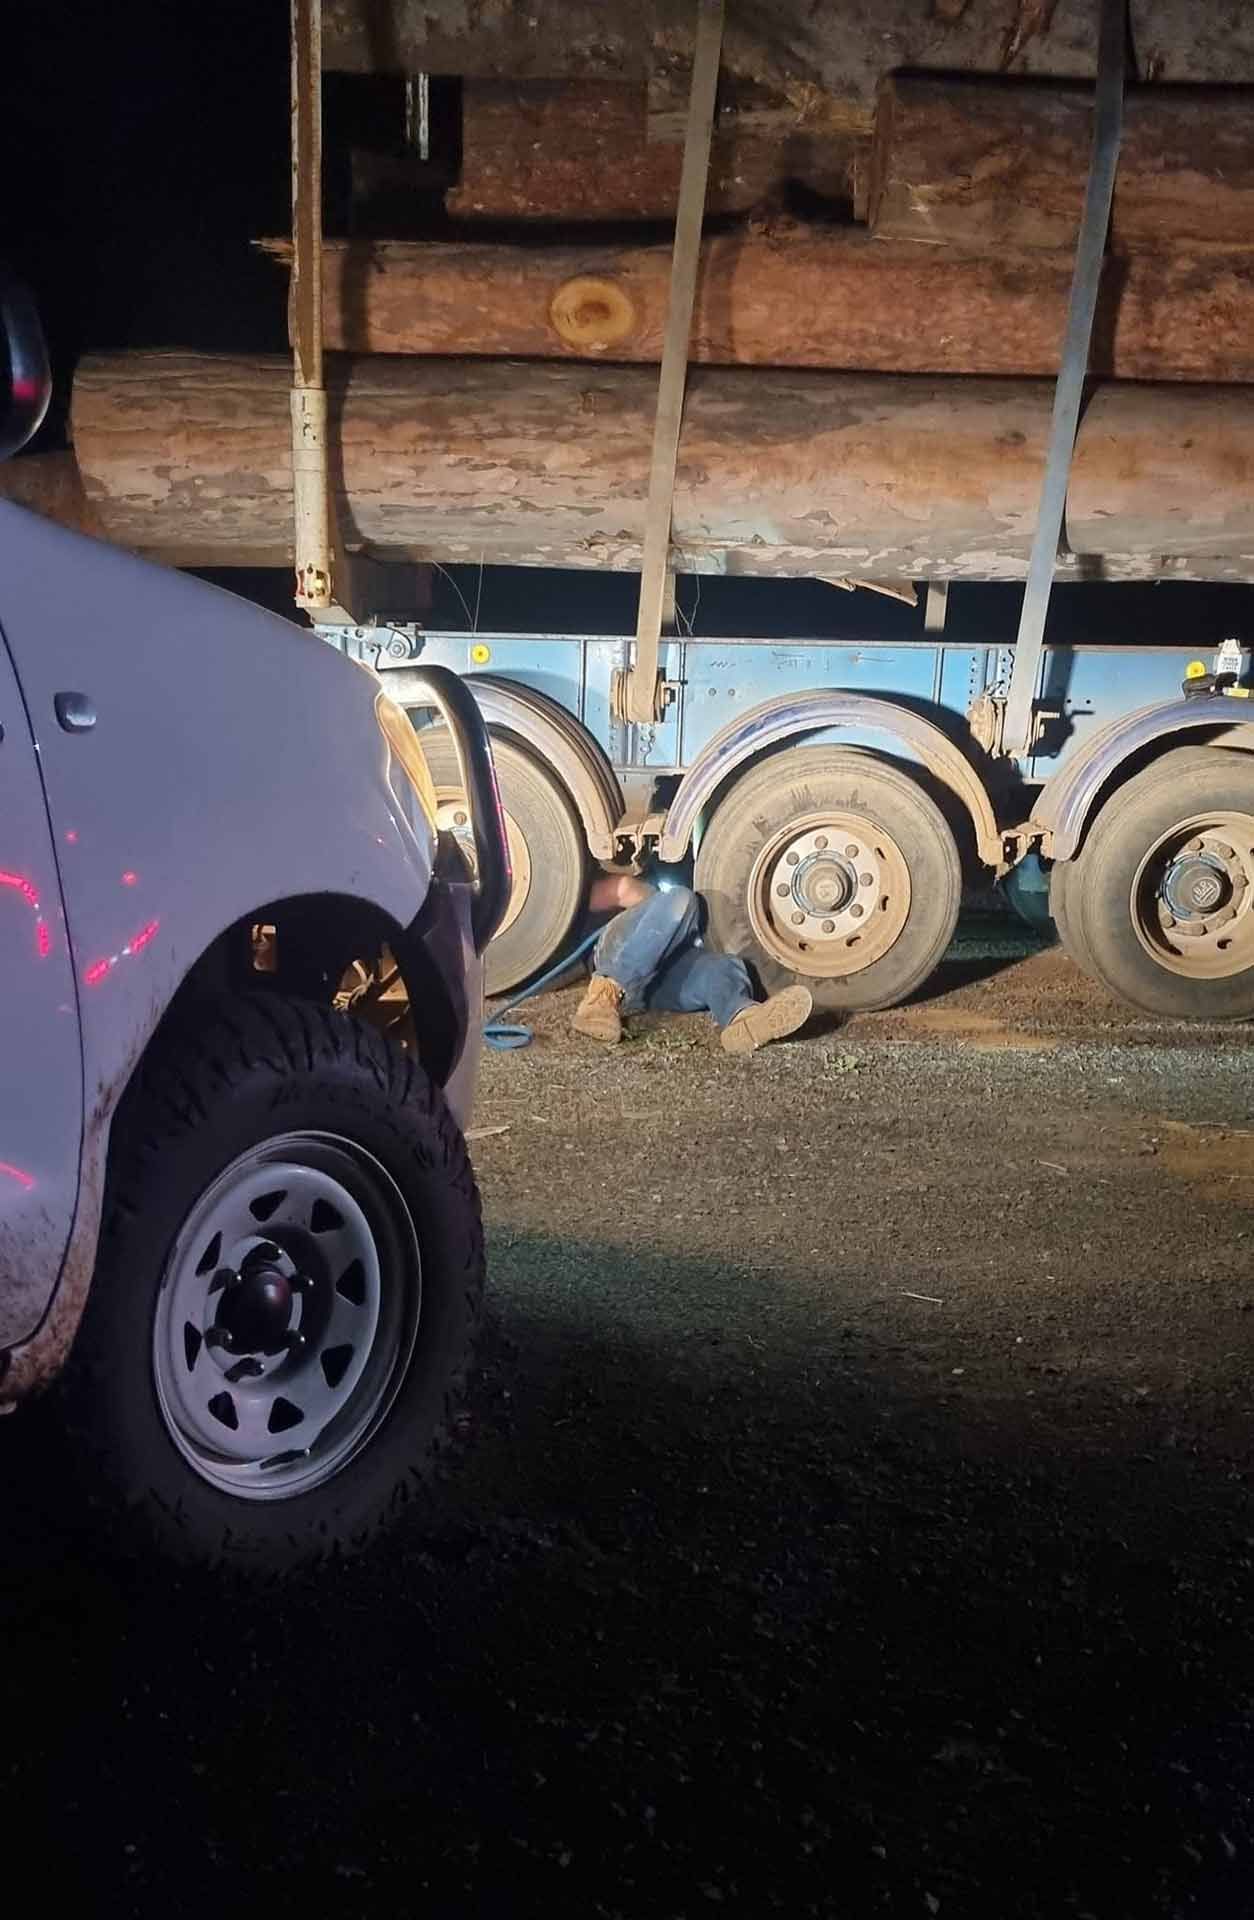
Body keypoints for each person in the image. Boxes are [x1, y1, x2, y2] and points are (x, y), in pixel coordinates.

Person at [572, 873, 812, 1054]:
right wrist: (658, 902)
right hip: (619, 952)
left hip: (648, 986)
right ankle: (603, 996)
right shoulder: (571, 890)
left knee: (724, 967)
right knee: (680, 898)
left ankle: (743, 1017)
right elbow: (622, 889)